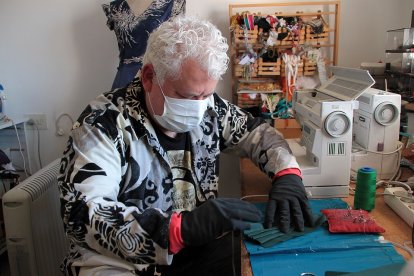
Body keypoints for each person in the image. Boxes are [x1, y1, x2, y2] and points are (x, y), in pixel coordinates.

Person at [58, 16, 313, 276]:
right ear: (149, 77)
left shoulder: (210, 109)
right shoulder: (101, 124)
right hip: (122, 262)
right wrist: (178, 229)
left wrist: (287, 174)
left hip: (193, 251)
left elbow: (257, 132)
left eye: (206, 95)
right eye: (186, 96)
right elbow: (81, 213)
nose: (199, 107)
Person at [102, 0, 186, 89]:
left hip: (155, 77)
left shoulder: (174, 3)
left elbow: (178, 46)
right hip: (124, 79)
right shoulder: (115, 7)